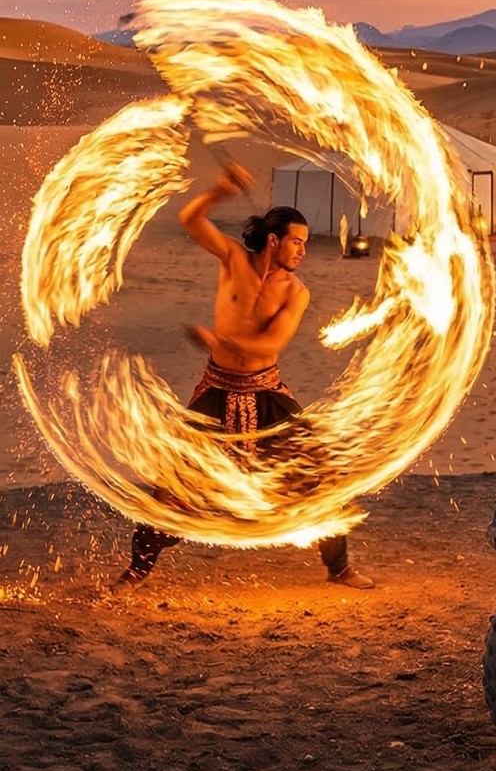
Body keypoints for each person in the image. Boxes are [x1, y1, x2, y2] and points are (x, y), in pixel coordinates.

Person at [112, 163, 374, 592]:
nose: (303, 251)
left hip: (267, 393)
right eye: (297, 242)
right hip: (216, 390)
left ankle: (339, 567)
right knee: (174, 482)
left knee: (319, 474)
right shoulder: (233, 259)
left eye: (305, 244)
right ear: (274, 240)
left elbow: (269, 346)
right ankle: (137, 569)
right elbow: (190, 219)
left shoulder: (296, 291)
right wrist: (220, 188)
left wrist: (218, 340)